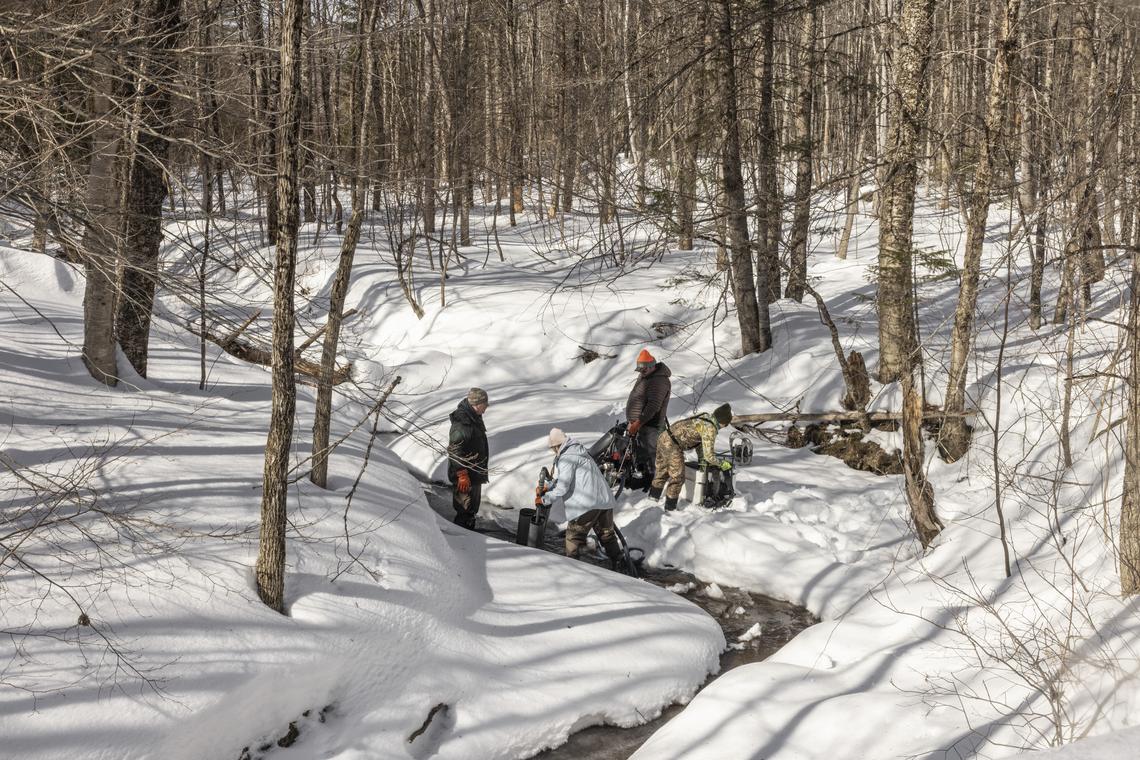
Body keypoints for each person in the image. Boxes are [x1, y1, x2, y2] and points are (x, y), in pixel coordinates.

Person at [541, 427, 624, 569]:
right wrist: (550, 485)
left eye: (553, 448)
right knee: (607, 536)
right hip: (604, 502)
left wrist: (545, 499)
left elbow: (563, 487)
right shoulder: (580, 453)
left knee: (573, 538)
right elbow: (568, 479)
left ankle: (573, 569)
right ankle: (621, 565)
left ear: (556, 446)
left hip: (586, 505)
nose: (553, 451)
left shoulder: (567, 458)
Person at [649, 403, 733, 511]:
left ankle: (652, 500)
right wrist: (722, 464)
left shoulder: (705, 417)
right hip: (673, 445)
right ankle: (670, 509)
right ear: (723, 422)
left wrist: (701, 461)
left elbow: (699, 442)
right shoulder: (710, 428)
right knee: (678, 477)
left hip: (664, 437)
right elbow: (709, 456)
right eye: (726, 424)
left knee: (662, 471)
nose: (724, 427)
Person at [625, 348, 672, 482]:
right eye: (640, 370)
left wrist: (638, 422)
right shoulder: (647, 376)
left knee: (652, 455)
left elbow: (653, 406)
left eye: (643, 370)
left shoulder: (659, 381)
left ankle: (655, 483)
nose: (641, 372)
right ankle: (645, 479)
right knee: (642, 454)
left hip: (651, 425)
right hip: (641, 424)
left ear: (652, 367)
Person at [448, 387, 490, 529]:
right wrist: (462, 473)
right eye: (485, 405)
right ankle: (462, 542)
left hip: (474, 473)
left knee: (471, 510)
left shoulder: (474, 417)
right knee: (464, 511)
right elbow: (454, 450)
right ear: (477, 404)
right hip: (465, 476)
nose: (486, 409)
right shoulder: (463, 422)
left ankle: (468, 538)